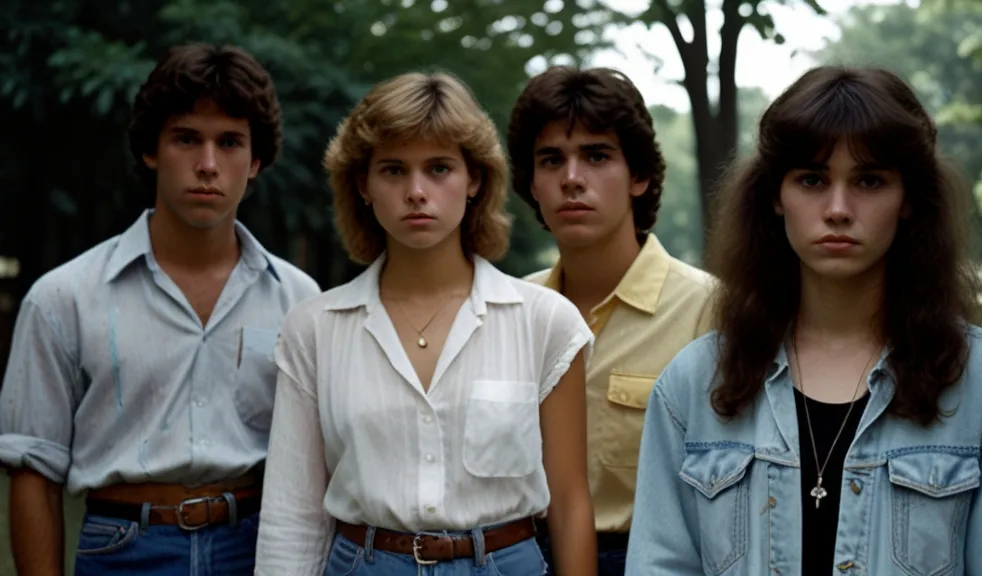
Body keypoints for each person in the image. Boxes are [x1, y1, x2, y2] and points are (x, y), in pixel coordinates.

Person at [625, 65, 982, 575]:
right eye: (812, 179)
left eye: (870, 180)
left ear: (908, 200)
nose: (838, 209)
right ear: (775, 195)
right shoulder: (694, 383)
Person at [253, 71, 597, 575]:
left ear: (474, 179)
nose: (417, 191)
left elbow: (569, 504)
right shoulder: (315, 329)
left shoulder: (545, 322)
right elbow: (293, 516)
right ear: (363, 185)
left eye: (439, 168)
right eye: (393, 170)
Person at [0, 43, 321, 575]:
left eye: (231, 142)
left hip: (259, 547)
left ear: (256, 160)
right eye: (186, 139)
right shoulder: (64, 297)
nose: (208, 164)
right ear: (151, 150)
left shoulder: (300, 301)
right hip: (122, 548)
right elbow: (33, 467)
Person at [505, 66, 714, 575]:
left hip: (653, 558)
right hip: (517, 554)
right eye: (551, 160)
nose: (572, 178)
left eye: (597, 156)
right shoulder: (510, 309)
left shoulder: (708, 310)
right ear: (531, 183)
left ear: (639, 176)